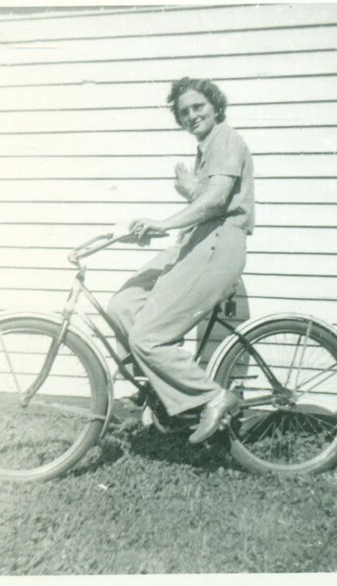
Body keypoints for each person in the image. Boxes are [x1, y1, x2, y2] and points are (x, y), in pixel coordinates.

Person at [107, 77, 254, 444]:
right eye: (184, 111)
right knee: (123, 304)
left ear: (215, 106)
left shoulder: (226, 139)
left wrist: (164, 221)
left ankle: (212, 397)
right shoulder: (207, 149)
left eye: (198, 107)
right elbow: (206, 197)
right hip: (196, 243)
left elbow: (217, 201)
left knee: (148, 336)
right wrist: (189, 192)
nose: (191, 115)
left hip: (218, 246)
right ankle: (162, 395)